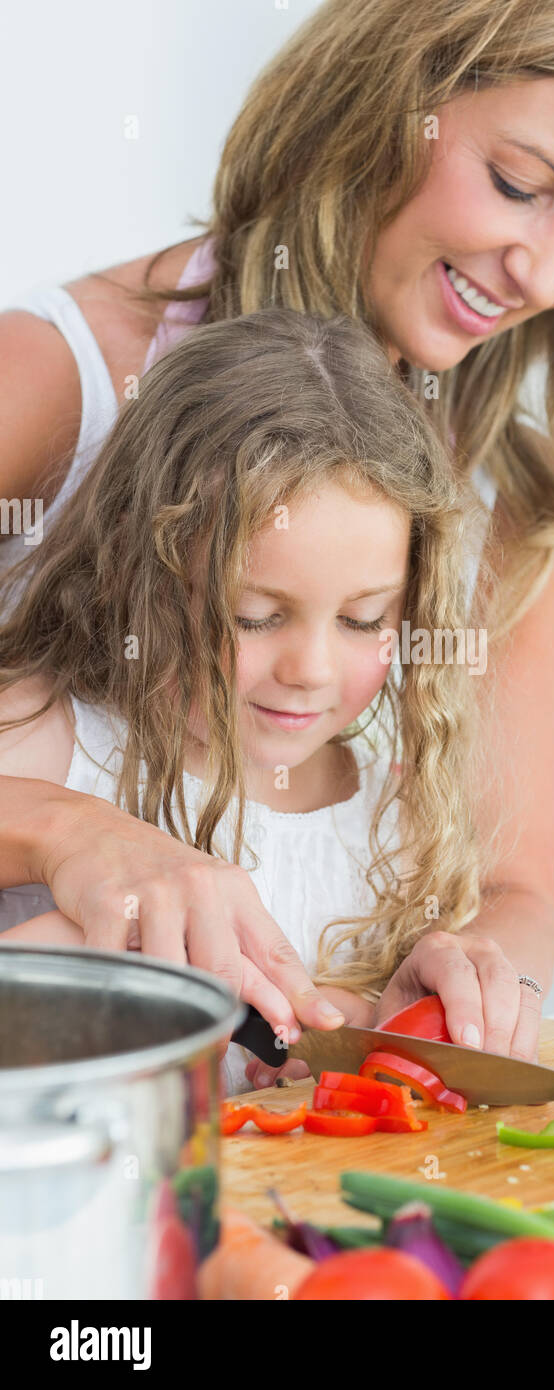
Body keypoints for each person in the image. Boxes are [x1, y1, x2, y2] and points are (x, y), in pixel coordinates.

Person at [0, 0, 554, 1068]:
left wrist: (464, 974)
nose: (546, 271)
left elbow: (514, 891)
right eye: (520, 187)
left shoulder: (514, 511)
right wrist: (67, 832)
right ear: (379, 114)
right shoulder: (59, 378)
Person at [0, 306, 495, 1093]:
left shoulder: (389, 815)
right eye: (253, 616)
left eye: (364, 618)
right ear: (140, 573)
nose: (310, 669)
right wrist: (44, 962)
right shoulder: (43, 740)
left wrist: (373, 1022)